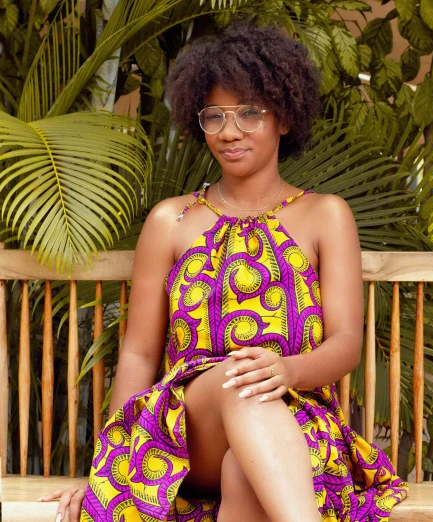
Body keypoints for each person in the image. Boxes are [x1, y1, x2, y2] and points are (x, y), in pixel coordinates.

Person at [38, 23, 408, 522]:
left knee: (246, 473)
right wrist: (110, 466)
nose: (229, 131)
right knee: (239, 378)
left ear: (284, 116)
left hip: (298, 421)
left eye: (249, 113)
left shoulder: (326, 214)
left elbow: (345, 342)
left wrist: (288, 370)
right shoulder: (171, 221)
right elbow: (140, 352)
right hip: (182, 437)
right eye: (215, 116)